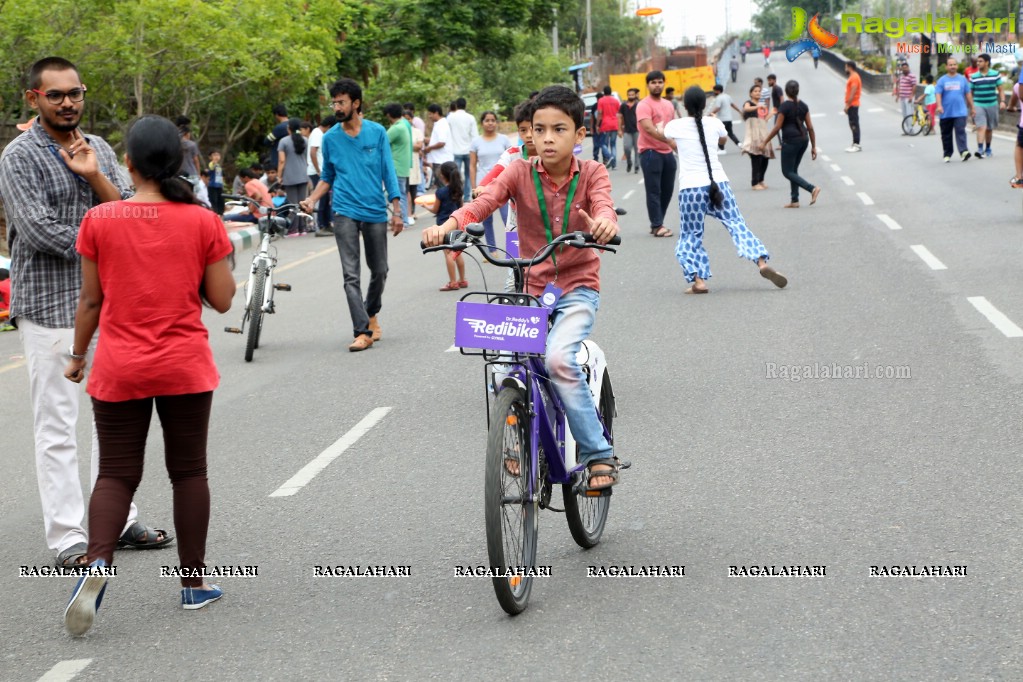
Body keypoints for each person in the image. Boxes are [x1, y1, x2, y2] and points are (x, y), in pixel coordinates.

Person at [60, 115, 236, 636]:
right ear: (180, 163)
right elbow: (223, 301)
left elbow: (91, 300)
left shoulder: (100, 219)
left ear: (129, 164)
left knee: (115, 473)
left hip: (119, 365)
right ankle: (194, 583)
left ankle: (95, 565)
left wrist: (76, 356)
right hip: (183, 364)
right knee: (188, 473)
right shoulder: (203, 221)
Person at [0, 56, 173, 570]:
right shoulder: (18, 157)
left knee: (114, 422)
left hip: (111, 306)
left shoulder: (95, 147)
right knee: (57, 424)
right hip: (52, 306)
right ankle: (69, 537)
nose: (68, 103)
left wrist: (94, 175)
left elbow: (131, 204)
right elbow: (37, 231)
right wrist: (109, 246)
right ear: (34, 98)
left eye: (75, 93)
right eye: (56, 95)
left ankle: (117, 520)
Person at [422, 85, 624, 493]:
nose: (548, 138)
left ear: (579, 136)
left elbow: (603, 205)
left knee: (558, 361)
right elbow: (484, 203)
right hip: (529, 290)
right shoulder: (518, 171)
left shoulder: (593, 173)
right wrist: (447, 226)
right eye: (540, 129)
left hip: (576, 289)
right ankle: (516, 439)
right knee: (500, 362)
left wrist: (605, 222)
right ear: (529, 132)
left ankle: (598, 454)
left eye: (559, 129)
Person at [300, 78, 403, 352]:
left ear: (355, 103)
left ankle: (371, 312)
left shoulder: (377, 132)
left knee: (380, 270)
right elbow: (327, 177)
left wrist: (397, 209)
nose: (336, 107)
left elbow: (388, 171)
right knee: (350, 275)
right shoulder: (331, 138)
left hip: (374, 211)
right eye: (334, 102)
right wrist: (311, 199)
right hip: (344, 210)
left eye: (341, 102)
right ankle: (362, 331)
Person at [663, 86, 787, 295]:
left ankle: (699, 281)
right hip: (719, 183)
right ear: (705, 104)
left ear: (684, 105)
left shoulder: (674, 125)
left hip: (691, 188)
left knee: (690, 235)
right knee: (737, 224)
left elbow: (667, 139)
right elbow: (722, 140)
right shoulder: (715, 123)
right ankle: (761, 262)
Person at [762, 80, 821, 208]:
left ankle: (812, 189)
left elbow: (777, 127)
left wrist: (765, 142)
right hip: (803, 140)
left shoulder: (784, 107)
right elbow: (810, 127)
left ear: (786, 91)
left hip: (790, 141)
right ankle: (795, 200)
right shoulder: (804, 106)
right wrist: (813, 147)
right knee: (793, 170)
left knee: (787, 172)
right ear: (797, 90)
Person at [637, 70, 678, 238]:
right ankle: (657, 225)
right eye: (653, 82)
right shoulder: (644, 105)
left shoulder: (668, 104)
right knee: (654, 190)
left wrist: (675, 142)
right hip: (650, 152)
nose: (657, 85)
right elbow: (648, 128)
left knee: (667, 190)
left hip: (667, 153)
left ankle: (658, 220)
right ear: (648, 85)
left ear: (664, 83)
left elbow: (672, 126)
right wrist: (669, 141)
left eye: (660, 82)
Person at [469, 111, 511, 252]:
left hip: (503, 185)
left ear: (496, 122)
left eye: (493, 120)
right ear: (482, 123)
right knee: (487, 220)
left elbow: (511, 161)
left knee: (508, 219)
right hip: (484, 186)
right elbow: (472, 165)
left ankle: (513, 250)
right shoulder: (476, 142)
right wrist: (474, 186)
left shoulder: (504, 139)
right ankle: (492, 251)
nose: (490, 123)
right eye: (487, 120)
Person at [425, 161, 466, 291]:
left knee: (448, 253)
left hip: (444, 225)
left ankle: (453, 282)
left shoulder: (440, 192)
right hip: (457, 224)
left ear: (442, 176)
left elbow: (436, 210)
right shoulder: (459, 189)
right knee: (458, 252)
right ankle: (462, 279)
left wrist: (426, 206)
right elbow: (462, 207)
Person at [936, 56, 974, 162]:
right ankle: (947, 153)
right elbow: (938, 94)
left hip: (960, 111)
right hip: (945, 112)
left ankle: (964, 151)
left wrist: (972, 107)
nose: (952, 66)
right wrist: (939, 105)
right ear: (947, 67)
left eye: (954, 64)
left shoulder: (962, 79)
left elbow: (968, 94)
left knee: (960, 131)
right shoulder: (941, 80)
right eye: (950, 65)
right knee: (946, 134)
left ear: (957, 66)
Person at [277, 117, 310, 234]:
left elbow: (282, 161)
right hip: (303, 174)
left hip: (289, 176)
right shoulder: (305, 140)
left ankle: (293, 229)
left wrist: (279, 176)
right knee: (302, 203)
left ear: (288, 128)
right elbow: (307, 158)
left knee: (293, 204)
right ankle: (303, 228)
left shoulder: (283, 141)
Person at [384, 103, 414, 227]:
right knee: (402, 193)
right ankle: (405, 219)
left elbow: (381, 141)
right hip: (403, 166)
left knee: (393, 193)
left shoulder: (396, 128)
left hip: (396, 166)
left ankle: (402, 220)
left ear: (389, 115)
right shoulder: (404, 125)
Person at [969, 54, 1004, 158]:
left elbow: (1001, 89)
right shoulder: (974, 76)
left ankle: (988, 148)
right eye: (977, 61)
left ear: (987, 62)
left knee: (989, 128)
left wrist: (1002, 101)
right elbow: (970, 93)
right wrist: (972, 107)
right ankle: (980, 149)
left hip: (992, 104)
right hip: (978, 104)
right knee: (981, 126)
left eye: (980, 61)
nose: (978, 63)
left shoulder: (995, 74)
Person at [740, 84, 774, 190]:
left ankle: (761, 180)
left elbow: (764, 119)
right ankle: (754, 183)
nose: (758, 92)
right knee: (756, 159)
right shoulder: (748, 103)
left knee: (765, 158)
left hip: (763, 134)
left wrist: (771, 113)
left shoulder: (761, 105)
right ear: (751, 93)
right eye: (755, 91)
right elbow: (746, 109)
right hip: (753, 135)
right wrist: (758, 106)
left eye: (759, 91)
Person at [447, 97, 477, 202]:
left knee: (455, 175)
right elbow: (475, 135)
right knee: (469, 174)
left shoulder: (450, 117)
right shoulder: (470, 118)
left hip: (456, 150)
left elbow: (447, 133)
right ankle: (467, 197)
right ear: (465, 105)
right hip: (469, 150)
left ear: (456, 105)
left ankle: (457, 195)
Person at [313, 115, 336, 236]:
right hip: (318, 171)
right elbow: (313, 151)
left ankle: (327, 224)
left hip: (323, 170)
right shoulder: (318, 133)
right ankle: (321, 225)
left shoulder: (321, 134)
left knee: (327, 199)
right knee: (322, 200)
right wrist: (318, 169)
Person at [423, 103, 454, 189]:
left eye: (430, 114)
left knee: (442, 186)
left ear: (436, 113)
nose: (429, 116)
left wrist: (429, 148)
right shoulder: (439, 124)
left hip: (442, 161)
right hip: (439, 160)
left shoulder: (441, 124)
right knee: (442, 185)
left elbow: (441, 142)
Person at [405, 108, 425, 224]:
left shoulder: (417, 131)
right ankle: (408, 213)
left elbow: (419, 146)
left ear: (412, 119)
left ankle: (412, 211)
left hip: (415, 163)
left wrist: (407, 146)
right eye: (405, 119)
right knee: (405, 189)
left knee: (413, 189)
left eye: (409, 119)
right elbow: (416, 146)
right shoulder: (402, 131)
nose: (407, 121)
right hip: (405, 163)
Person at [708, 84, 742, 152]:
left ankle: (722, 148)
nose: (714, 92)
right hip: (729, 119)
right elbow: (732, 104)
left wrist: (710, 114)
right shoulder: (727, 96)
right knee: (730, 133)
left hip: (722, 120)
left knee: (719, 134)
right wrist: (739, 111)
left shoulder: (719, 98)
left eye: (714, 91)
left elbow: (718, 107)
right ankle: (739, 144)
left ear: (717, 91)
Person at [596, 85, 621, 169]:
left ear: (604, 92)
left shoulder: (601, 100)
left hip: (605, 124)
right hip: (614, 124)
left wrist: (597, 125)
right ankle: (614, 165)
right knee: (613, 144)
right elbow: (619, 114)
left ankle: (610, 157)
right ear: (611, 91)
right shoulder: (616, 100)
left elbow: (599, 113)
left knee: (603, 144)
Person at [618, 87, 641, 173]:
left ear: (635, 95)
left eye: (632, 94)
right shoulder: (623, 105)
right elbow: (620, 117)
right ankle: (629, 162)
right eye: (629, 95)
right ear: (627, 95)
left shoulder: (639, 104)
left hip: (637, 130)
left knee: (637, 149)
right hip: (627, 130)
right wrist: (619, 129)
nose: (631, 96)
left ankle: (637, 166)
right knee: (627, 148)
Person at [844, 61, 863, 152]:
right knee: (852, 124)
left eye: (846, 67)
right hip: (852, 104)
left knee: (854, 124)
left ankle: (856, 144)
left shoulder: (854, 77)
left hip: (853, 104)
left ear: (849, 67)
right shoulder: (852, 77)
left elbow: (853, 91)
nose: (845, 69)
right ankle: (855, 143)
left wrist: (847, 105)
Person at [893, 61, 918, 126]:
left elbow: (914, 86)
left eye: (906, 68)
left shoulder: (912, 76)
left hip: (908, 98)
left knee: (909, 114)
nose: (905, 69)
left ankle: (911, 129)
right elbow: (899, 85)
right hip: (902, 98)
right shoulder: (901, 76)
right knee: (904, 114)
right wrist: (897, 96)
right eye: (903, 68)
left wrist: (911, 96)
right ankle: (907, 129)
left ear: (908, 68)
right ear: (901, 69)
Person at [207, 150, 224, 215]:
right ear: (210, 157)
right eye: (214, 155)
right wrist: (214, 161)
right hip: (212, 186)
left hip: (219, 186)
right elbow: (211, 167)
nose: (216, 157)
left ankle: (220, 214)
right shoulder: (211, 164)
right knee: (214, 201)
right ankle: (215, 214)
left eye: (218, 155)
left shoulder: (219, 165)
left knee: (221, 201)